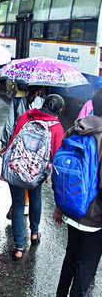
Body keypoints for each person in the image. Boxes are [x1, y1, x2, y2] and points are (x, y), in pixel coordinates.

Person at [4, 94, 65, 260]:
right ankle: (34, 233)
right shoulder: (56, 127)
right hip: (36, 173)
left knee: (17, 204)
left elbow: (14, 139)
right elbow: (55, 156)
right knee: (35, 198)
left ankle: (18, 247)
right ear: (59, 110)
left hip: (16, 167)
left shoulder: (26, 116)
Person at [53, 116, 102, 297]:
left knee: (71, 257)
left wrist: (60, 206)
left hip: (71, 208)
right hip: (94, 220)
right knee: (85, 269)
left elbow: (59, 173)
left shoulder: (75, 128)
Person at [0, 84, 43, 218]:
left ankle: (17, 205)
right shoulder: (42, 103)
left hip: (17, 146)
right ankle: (24, 205)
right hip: (35, 148)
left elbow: (9, 125)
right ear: (40, 90)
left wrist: (5, 144)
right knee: (30, 176)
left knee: (16, 176)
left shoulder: (17, 101)